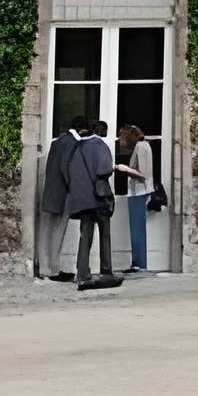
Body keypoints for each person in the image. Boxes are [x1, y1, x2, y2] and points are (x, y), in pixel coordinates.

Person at [69, 119, 121, 291]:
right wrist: (113, 168)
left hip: (83, 198)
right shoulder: (100, 146)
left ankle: (82, 272)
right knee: (105, 234)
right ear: (101, 131)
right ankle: (106, 270)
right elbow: (103, 170)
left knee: (85, 236)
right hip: (99, 197)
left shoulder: (78, 148)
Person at [37, 120, 82, 282]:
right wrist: (75, 187)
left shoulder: (57, 141)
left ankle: (44, 267)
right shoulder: (74, 143)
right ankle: (54, 269)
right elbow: (66, 168)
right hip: (64, 193)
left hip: (50, 189)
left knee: (46, 230)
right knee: (58, 231)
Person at [113, 123, 158, 276]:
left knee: (137, 229)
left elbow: (143, 173)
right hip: (138, 192)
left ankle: (140, 264)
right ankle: (137, 263)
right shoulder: (143, 146)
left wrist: (124, 169)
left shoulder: (141, 147)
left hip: (140, 192)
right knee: (136, 229)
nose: (121, 141)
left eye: (123, 138)